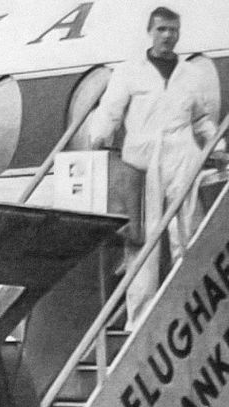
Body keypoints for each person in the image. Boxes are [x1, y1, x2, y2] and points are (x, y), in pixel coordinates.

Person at [89, 6, 217, 322]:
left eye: (173, 30)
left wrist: (218, 145)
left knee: (187, 234)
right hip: (142, 160)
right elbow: (110, 110)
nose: (168, 36)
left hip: (182, 156)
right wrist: (98, 137)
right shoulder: (130, 71)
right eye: (162, 29)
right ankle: (139, 318)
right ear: (150, 31)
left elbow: (201, 119)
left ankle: (191, 311)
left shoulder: (191, 74)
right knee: (141, 240)